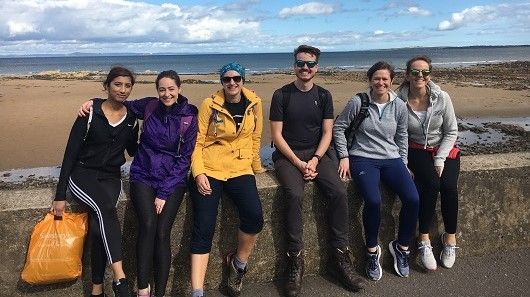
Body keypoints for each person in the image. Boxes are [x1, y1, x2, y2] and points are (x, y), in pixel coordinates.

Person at [78, 70, 199, 296]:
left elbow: (185, 160)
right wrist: (93, 103)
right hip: (143, 174)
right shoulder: (149, 106)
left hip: (172, 180)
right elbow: (119, 101)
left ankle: (159, 292)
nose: (166, 94)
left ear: (179, 89)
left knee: (163, 231)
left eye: (171, 89)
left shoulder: (189, 116)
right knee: (148, 225)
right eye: (162, 89)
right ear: (157, 91)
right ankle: (143, 289)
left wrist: (163, 192)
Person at [270, 44, 364, 297]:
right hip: (287, 156)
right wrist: (299, 163)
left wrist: (314, 159)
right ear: (294, 65)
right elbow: (277, 136)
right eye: (301, 63)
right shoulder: (281, 95)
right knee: (294, 194)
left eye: (310, 64)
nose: (305, 68)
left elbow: (327, 132)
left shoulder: (324, 95)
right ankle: (294, 260)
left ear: (316, 68)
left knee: (338, 193)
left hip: (317, 154)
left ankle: (340, 258)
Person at [52, 66, 139, 297]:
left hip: (110, 177)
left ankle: (97, 288)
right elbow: (70, 153)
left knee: (100, 225)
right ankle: (121, 279)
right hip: (83, 175)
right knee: (105, 210)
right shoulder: (89, 113)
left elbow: (133, 150)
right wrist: (60, 195)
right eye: (118, 84)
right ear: (107, 86)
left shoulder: (131, 119)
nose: (123, 90)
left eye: (128, 86)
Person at [333, 61, 419, 281]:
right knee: (373, 200)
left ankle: (401, 247)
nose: (380, 82)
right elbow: (339, 127)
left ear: (391, 82)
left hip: (391, 158)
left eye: (385, 79)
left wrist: (404, 162)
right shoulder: (358, 102)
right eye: (376, 78)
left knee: (412, 198)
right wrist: (344, 156)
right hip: (363, 158)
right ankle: (372, 251)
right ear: (370, 80)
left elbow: (402, 135)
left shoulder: (399, 105)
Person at [189, 62, 265, 297]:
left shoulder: (255, 103)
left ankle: (238, 264)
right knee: (204, 226)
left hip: (240, 168)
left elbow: (255, 137)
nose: (232, 83)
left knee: (254, 218)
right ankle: (197, 291)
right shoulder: (209, 104)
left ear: (243, 80)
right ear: (221, 81)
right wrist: (199, 172)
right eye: (226, 79)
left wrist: (256, 166)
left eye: (236, 78)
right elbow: (197, 141)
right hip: (210, 167)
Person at [397, 55, 459, 271]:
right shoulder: (398, 101)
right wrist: (403, 162)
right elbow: (399, 134)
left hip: (444, 149)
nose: (419, 76)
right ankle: (424, 239)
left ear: (430, 74)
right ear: (407, 75)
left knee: (449, 186)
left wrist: (441, 157)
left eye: (424, 72)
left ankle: (449, 239)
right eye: (414, 72)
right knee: (431, 185)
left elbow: (451, 130)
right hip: (417, 151)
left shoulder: (442, 97)